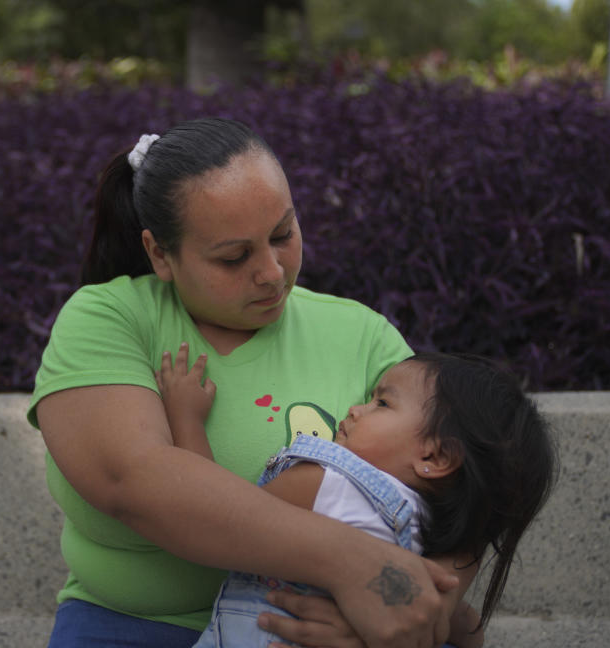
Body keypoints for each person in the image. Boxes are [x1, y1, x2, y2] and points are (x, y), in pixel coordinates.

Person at [29, 117, 475, 648]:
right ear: (159, 254)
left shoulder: (361, 334)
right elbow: (134, 479)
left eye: (283, 234)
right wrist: (353, 562)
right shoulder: (108, 318)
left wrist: (423, 603)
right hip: (136, 627)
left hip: (326, 630)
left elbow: (469, 478)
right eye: (234, 257)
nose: (272, 272)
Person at [155, 345, 557, 648]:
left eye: (381, 403)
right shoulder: (422, 536)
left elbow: (216, 517)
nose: (354, 409)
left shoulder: (324, 485)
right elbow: (470, 631)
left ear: (434, 456)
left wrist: (186, 417)